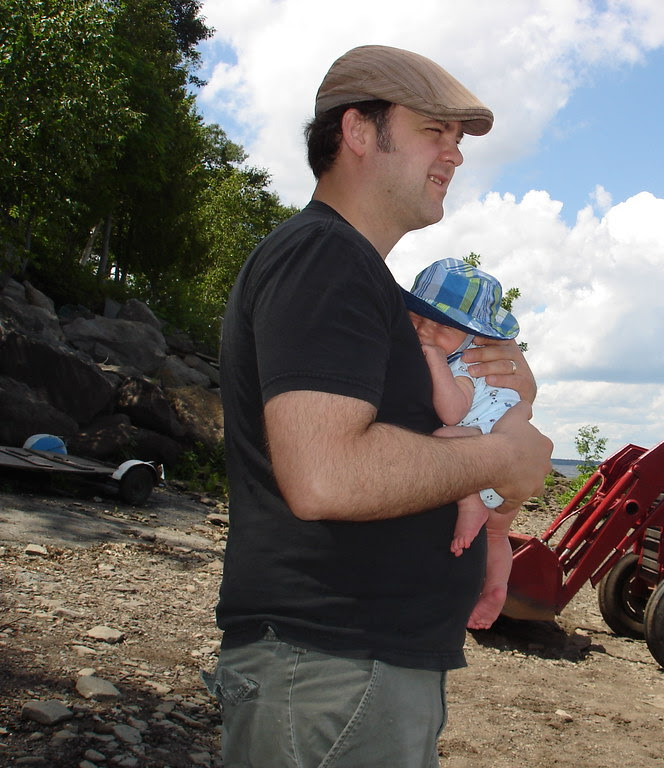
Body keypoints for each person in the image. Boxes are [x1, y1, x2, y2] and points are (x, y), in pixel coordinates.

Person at [207, 45, 553, 768]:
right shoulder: (324, 260)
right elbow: (327, 474)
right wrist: (499, 456)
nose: (455, 155)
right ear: (358, 131)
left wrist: (508, 393)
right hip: (331, 672)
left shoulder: (367, 285)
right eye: (435, 131)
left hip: (351, 672)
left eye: (459, 140)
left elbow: (413, 443)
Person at [404, 257, 525, 630]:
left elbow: (453, 412)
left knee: (442, 440)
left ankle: (469, 501)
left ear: (473, 337)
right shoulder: (466, 355)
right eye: (418, 318)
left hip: (487, 444)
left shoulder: (465, 366)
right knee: (498, 532)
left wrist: (435, 362)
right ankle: (497, 587)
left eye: (442, 327)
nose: (426, 332)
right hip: (506, 451)